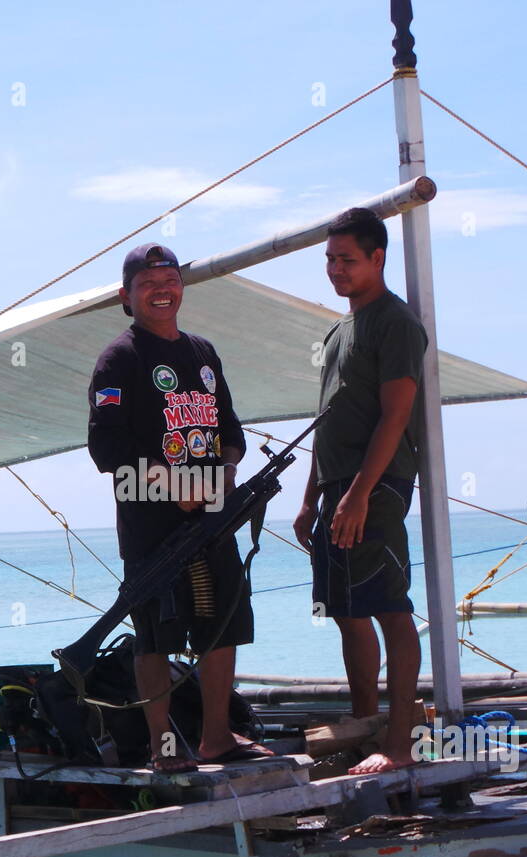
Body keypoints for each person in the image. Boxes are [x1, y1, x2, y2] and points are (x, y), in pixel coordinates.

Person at [87, 242, 273, 772]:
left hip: (213, 521)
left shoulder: (203, 353)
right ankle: (162, 748)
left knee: (223, 627)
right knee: (155, 637)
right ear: (127, 296)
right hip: (151, 525)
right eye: (148, 284)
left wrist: (229, 470)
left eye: (169, 280)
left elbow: (230, 431)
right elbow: (107, 449)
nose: (161, 290)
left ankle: (217, 738)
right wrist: (172, 485)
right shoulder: (119, 358)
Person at [293, 208, 426, 774]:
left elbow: (396, 415)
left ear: (378, 258)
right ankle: (364, 724)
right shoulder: (337, 330)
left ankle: (398, 741)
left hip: (378, 486)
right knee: (345, 610)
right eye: (329, 259)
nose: (335, 269)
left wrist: (359, 495)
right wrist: (310, 498)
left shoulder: (395, 323)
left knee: (390, 608)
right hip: (335, 486)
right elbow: (328, 418)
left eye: (346, 259)